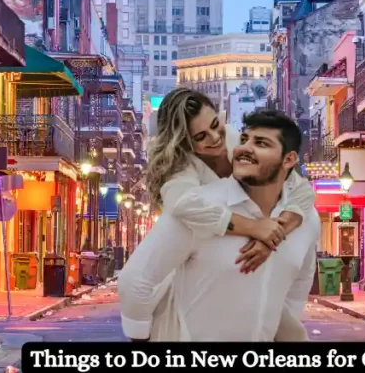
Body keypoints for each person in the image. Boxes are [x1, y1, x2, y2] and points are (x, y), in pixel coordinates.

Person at [119, 110, 322, 342]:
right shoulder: (198, 207)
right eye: (244, 140)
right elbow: (136, 280)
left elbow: (298, 284)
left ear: (289, 160)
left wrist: (278, 230)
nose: (245, 148)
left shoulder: (307, 220)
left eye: (261, 143)